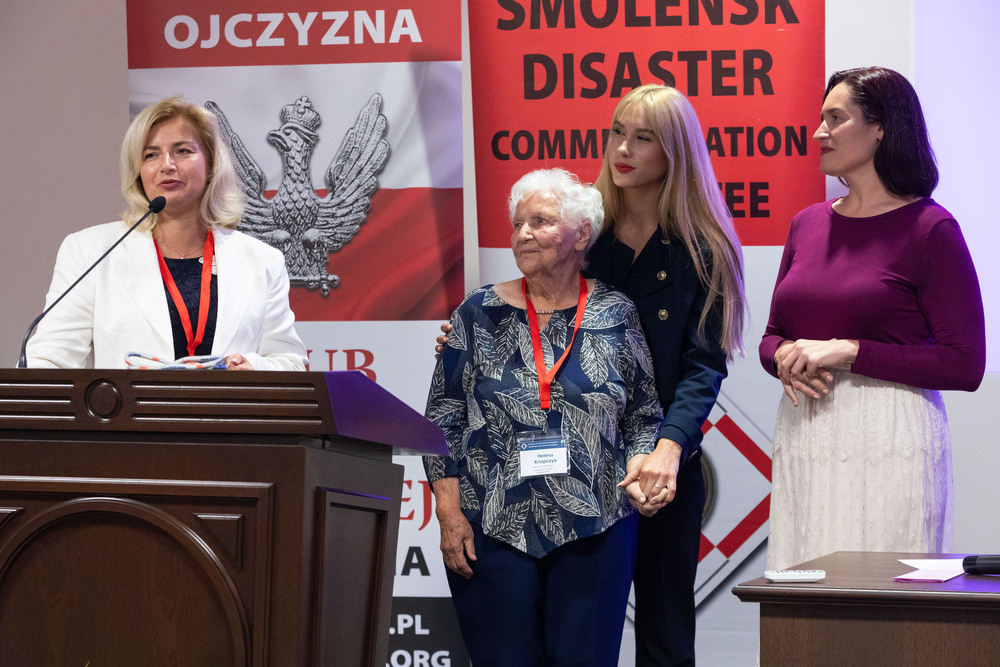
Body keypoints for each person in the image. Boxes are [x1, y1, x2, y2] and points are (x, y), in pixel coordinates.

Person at [424, 168, 665, 666]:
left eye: (540, 221)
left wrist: (642, 462)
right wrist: (449, 516)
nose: (523, 234)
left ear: (581, 235)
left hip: (595, 528)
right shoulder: (478, 312)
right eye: (517, 224)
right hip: (491, 527)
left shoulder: (616, 311)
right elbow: (442, 418)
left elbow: (643, 413)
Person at [759, 66, 986, 572]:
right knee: (804, 610)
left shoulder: (931, 228)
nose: (818, 133)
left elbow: (965, 364)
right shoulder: (807, 223)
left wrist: (849, 350)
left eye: (835, 119)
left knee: (882, 616)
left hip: (890, 442)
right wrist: (785, 356)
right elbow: (771, 337)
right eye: (819, 119)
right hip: (806, 435)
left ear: (881, 126)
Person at [587, 84, 747, 667]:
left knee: (665, 638)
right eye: (616, 133)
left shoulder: (704, 247)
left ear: (675, 153)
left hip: (662, 465)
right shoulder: (581, 235)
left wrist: (669, 448)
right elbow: (530, 323)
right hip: (578, 460)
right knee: (578, 633)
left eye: (643, 138)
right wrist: (472, 333)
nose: (621, 149)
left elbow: (705, 367)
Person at [25, 96, 307, 371]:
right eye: (151, 155)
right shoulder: (90, 252)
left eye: (183, 151)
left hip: (227, 418)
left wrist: (252, 368)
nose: (167, 165)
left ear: (210, 164)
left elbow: (291, 362)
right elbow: (50, 362)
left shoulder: (263, 260)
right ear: (139, 172)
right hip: (129, 418)